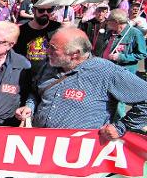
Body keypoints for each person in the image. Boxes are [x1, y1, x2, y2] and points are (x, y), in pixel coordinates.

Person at [15, 28, 147, 140]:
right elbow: (36, 92)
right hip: (42, 147)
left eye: (53, 49)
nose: (47, 52)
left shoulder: (106, 71)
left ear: (75, 54)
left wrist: (120, 127)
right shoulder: (48, 65)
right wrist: (29, 107)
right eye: (48, 46)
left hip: (80, 156)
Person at [13, 0, 61, 75]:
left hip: (50, 78)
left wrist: (68, 31)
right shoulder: (21, 31)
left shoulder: (58, 28)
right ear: (33, 10)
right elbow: (16, 58)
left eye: (49, 10)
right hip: (27, 78)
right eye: (41, 10)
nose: (45, 13)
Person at [101, 8, 147, 74]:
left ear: (116, 21)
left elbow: (142, 54)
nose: (106, 22)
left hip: (123, 72)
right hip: (107, 69)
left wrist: (120, 57)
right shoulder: (110, 32)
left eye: (108, 20)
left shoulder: (135, 33)